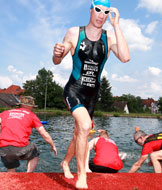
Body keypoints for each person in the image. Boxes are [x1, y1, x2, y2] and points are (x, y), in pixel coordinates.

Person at [53, 0, 130, 188]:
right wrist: (56, 53)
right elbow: (56, 61)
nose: (101, 15)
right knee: (86, 126)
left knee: (79, 133)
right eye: (98, 10)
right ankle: (82, 177)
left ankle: (65, 162)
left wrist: (117, 25)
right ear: (90, 10)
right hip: (74, 90)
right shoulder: (74, 33)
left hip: (93, 95)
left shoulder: (109, 37)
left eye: (106, 12)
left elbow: (125, 57)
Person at [0, 96, 57, 172]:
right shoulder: (32, 115)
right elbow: (44, 134)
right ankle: (29, 174)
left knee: (11, 168)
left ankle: (11, 178)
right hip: (19, 147)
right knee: (35, 152)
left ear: (20, 105)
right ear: (31, 106)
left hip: (3, 148)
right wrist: (52, 145)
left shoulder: (4, 113)